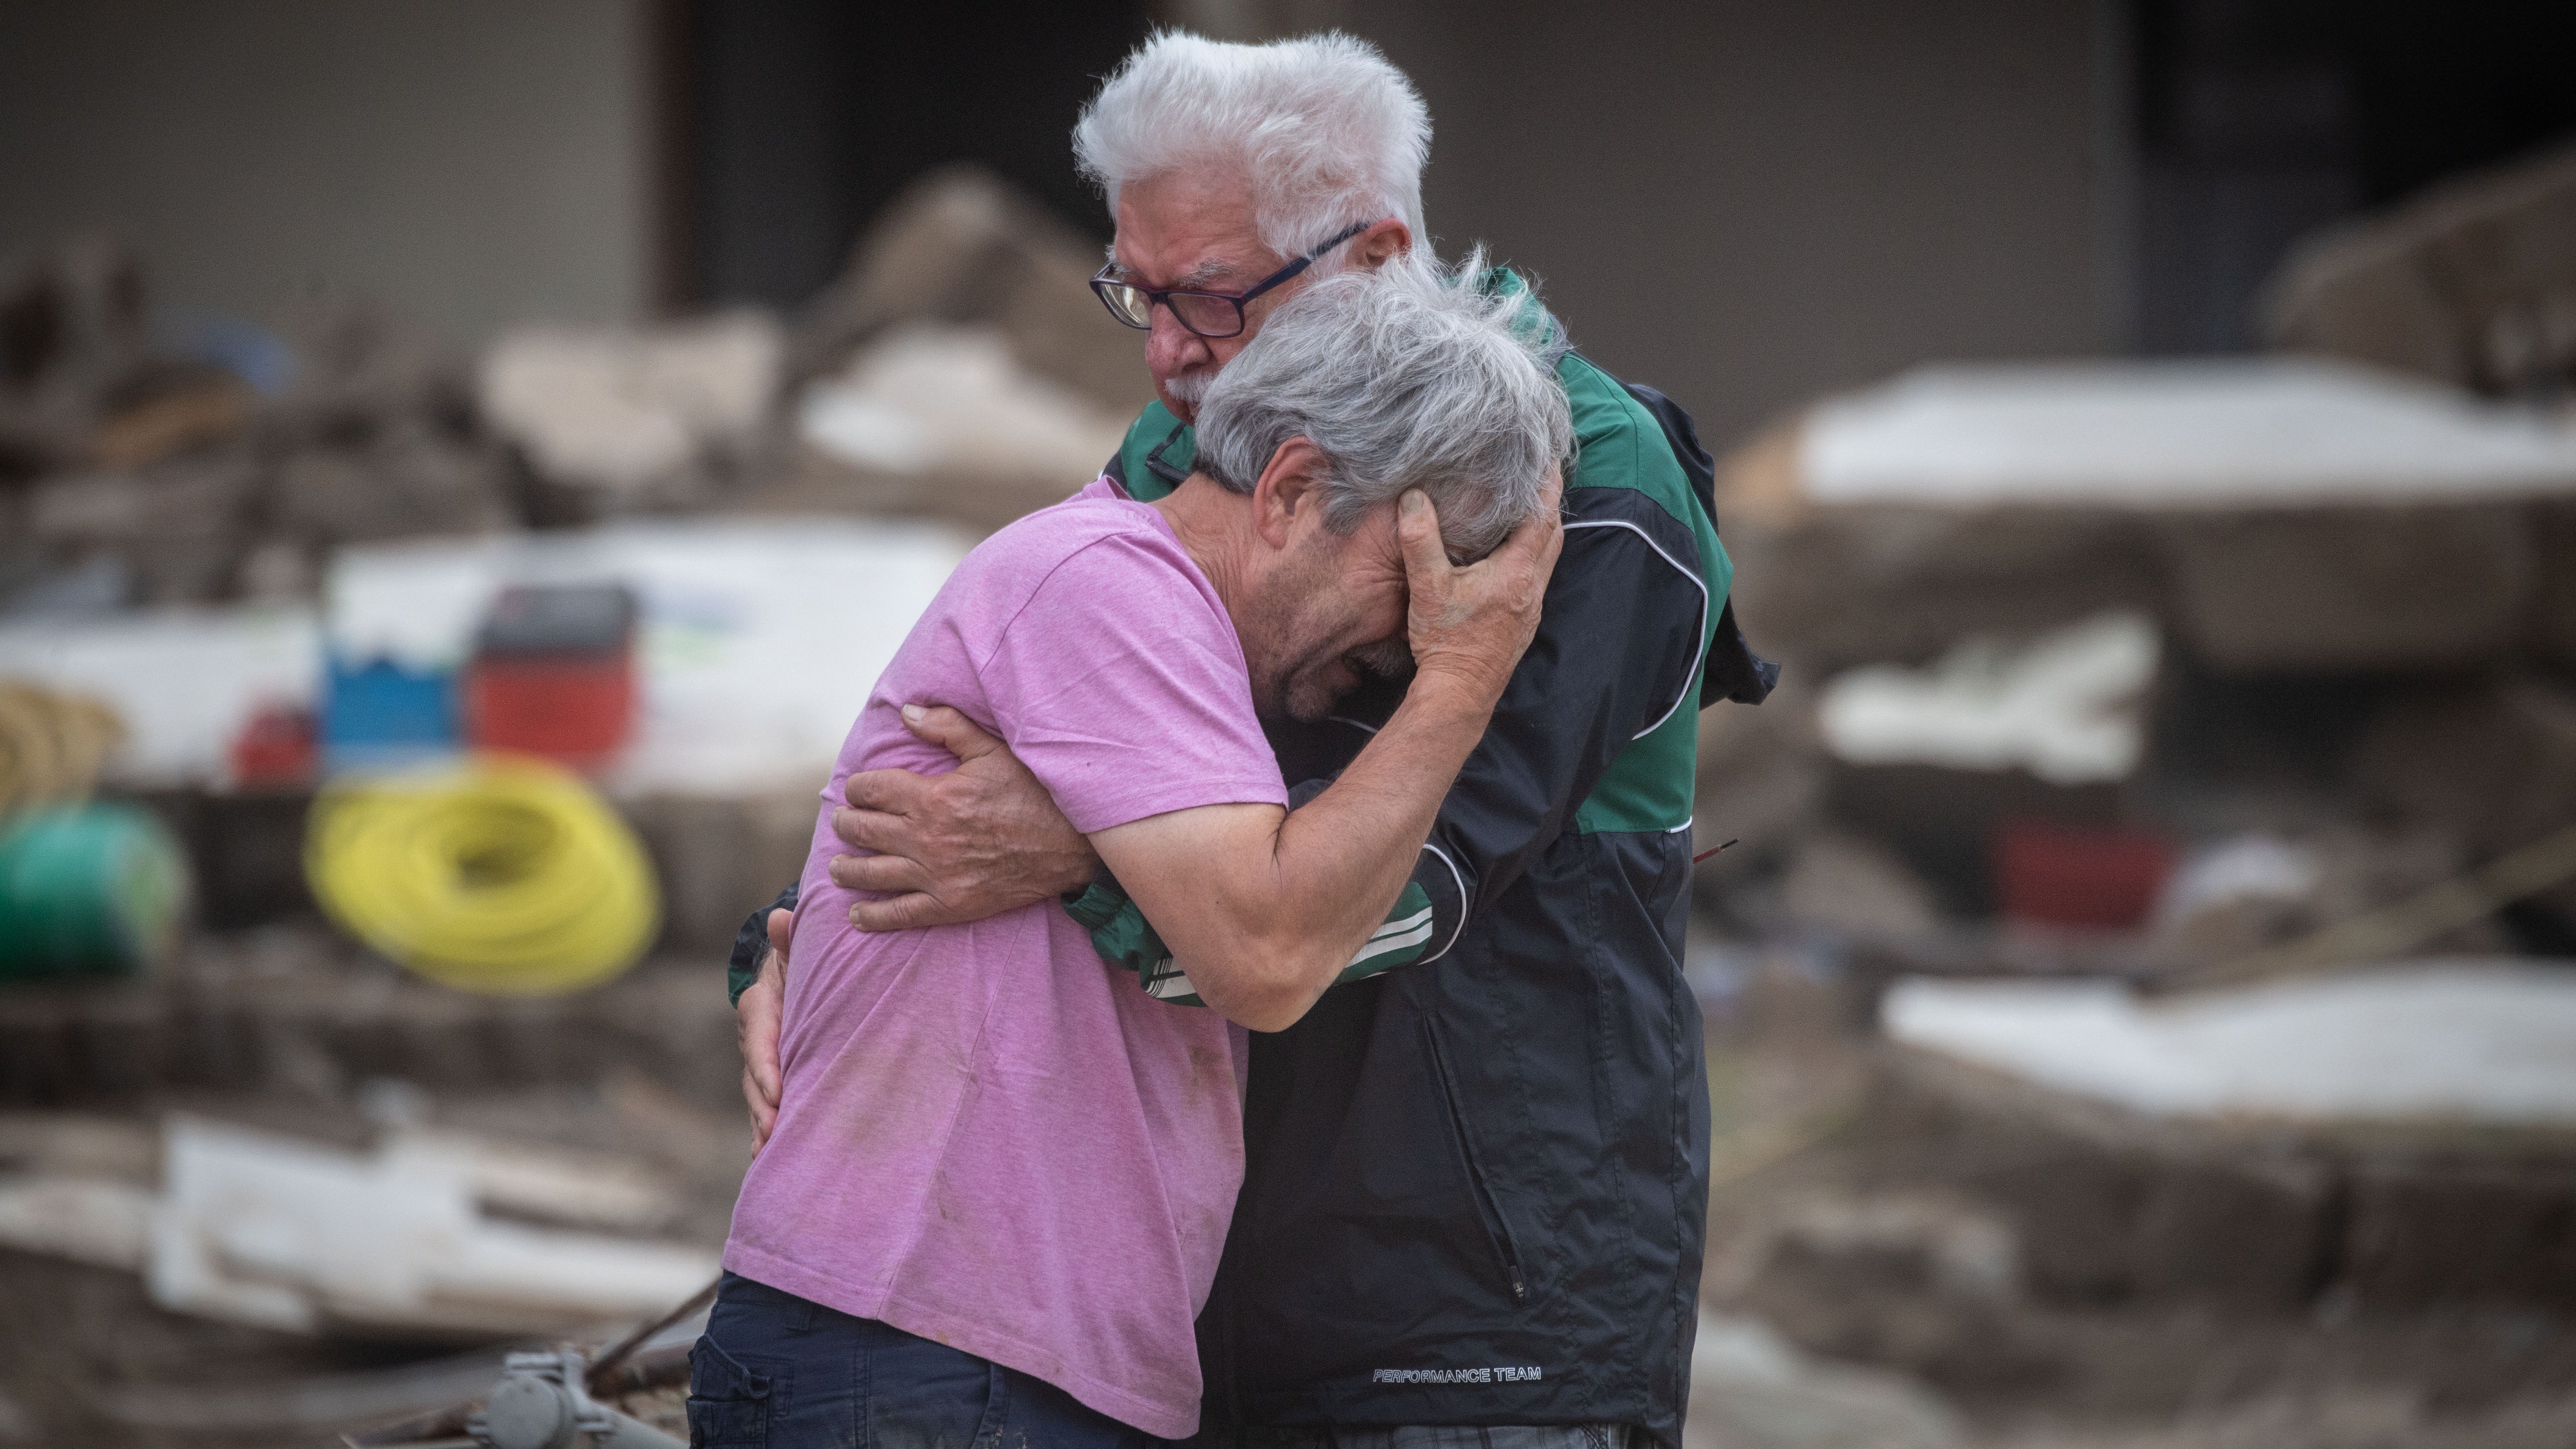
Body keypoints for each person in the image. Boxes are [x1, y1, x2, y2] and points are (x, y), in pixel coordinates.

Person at [729, 31, 1774, 1449]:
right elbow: (1021, 738)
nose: (1167, 351)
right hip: (1201, 1311)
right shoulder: (1184, 452)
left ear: (1375, 256)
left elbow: (1396, 886)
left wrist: (1067, 850)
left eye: (1211, 298)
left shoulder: (1579, 485)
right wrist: (806, 936)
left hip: (1480, 1326)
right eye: (1136, 294)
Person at [691, 261, 1571, 1449]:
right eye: (1414, 573)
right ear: (1292, 489)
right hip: (924, 1359)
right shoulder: (1106, 587)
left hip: (981, 1365)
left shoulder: (1158, 626)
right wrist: (1468, 676)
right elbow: (1266, 953)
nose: (1424, 630)